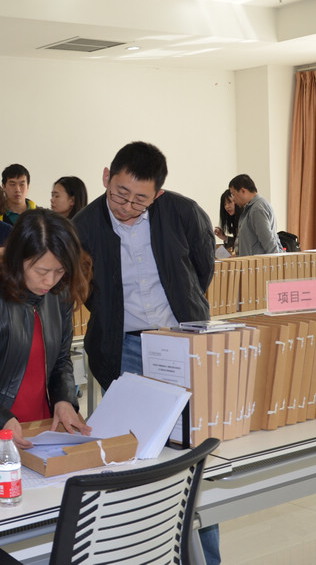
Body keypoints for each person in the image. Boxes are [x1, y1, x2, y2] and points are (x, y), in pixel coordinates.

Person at [72, 141, 220, 565]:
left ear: (158, 194)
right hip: (126, 348)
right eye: (120, 193)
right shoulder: (83, 226)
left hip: (183, 340)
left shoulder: (182, 212)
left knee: (194, 452)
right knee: (137, 456)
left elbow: (202, 267)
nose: (127, 206)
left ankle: (205, 558)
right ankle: (145, 551)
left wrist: (184, 310)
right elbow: (83, 287)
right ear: (106, 177)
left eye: (140, 199)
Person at [0, 208, 93, 457]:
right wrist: (1, 418)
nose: (50, 281)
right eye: (41, 271)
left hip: (42, 429)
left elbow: (61, 361)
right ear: (17, 258)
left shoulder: (58, 295)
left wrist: (65, 400)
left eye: (60, 271)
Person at [229, 174, 284, 256]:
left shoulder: (257, 209)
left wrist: (276, 261)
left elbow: (269, 243)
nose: (233, 199)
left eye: (233, 194)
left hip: (259, 263)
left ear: (243, 191)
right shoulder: (252, 208)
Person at [213, 188, 242, 255]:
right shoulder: (235, 220)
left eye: (229, 202)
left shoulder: (244, 219)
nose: (227, 207)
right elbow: (238, 242)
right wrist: (224, 237)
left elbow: (243, 244)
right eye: (224, 204)